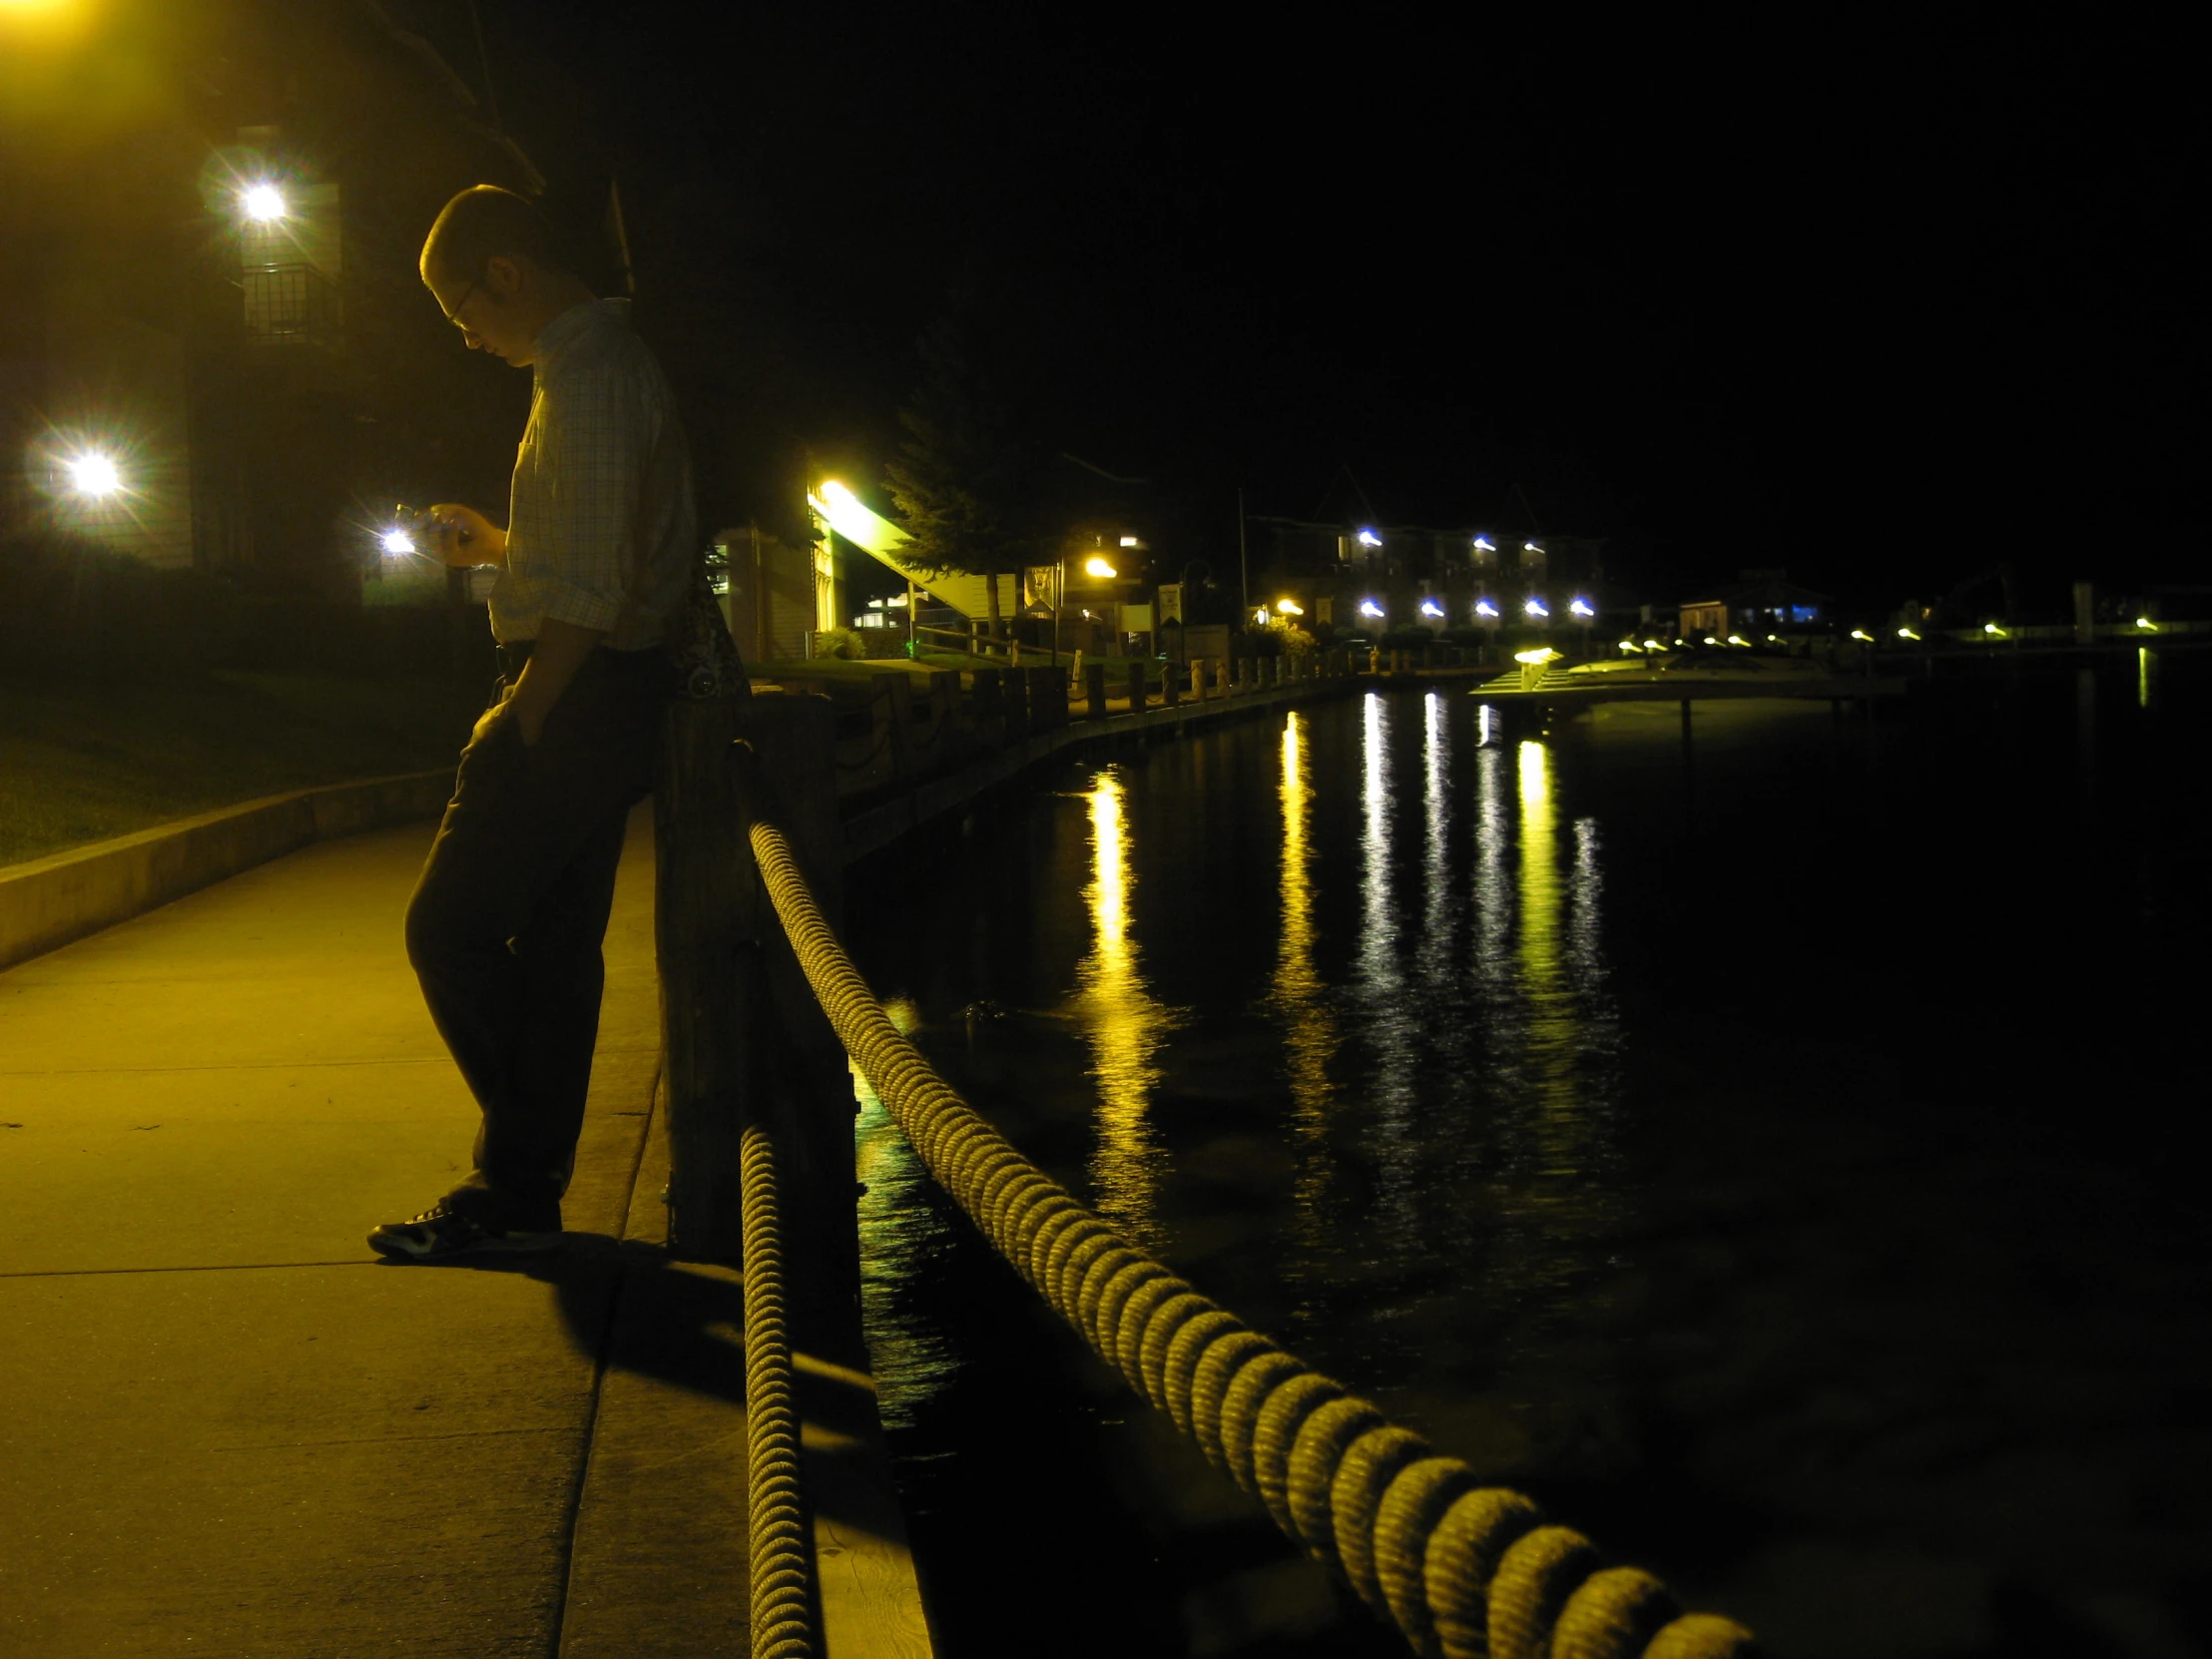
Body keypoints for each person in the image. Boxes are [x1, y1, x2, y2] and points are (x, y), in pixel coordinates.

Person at [369, 185, 695, 1261]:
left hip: (580, 689)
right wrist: (501, 545)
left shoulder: (591, 377)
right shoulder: (592, 369)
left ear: (506, 273)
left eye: (463, 308)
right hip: (606, 686)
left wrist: (521, 712)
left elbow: (595, 590)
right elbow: (586, 556)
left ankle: (515, 1171)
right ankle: (519, 1186)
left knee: (449, 929)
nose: (464, 335)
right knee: (557, 951)